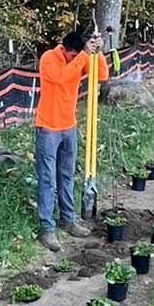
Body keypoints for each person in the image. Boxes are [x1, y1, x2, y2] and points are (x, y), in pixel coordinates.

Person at [34, 26, 109, 249]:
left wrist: (98, 53)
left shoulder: (78, 57)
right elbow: (62, 78)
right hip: (48, 127)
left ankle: (68, 219)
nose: (76, 60)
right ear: (66, 51)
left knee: (66, 176)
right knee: (48, 179)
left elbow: (102, 75)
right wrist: (84, 56)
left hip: (69, 127)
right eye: (74, 56)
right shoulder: (49, 59)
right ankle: (47, 228)